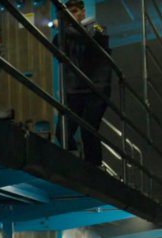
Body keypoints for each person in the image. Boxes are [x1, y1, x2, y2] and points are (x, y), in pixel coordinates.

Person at [54, 0, 113, 166]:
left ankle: (93, 169)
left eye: (74, 11)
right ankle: (76, 164)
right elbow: (55, 45)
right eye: (69, 13)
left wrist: (63, 27)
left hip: (96, 89)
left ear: (83, 12)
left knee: (88, 130)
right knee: (61, 133)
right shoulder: (66, 32)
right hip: (74, 91)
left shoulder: (97, 28)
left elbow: (89, 38)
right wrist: (63, 30)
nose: (72, 16)